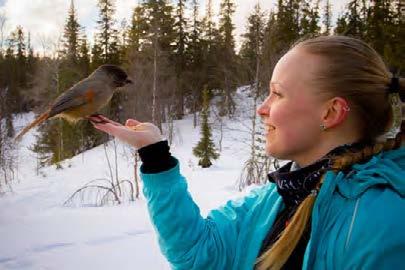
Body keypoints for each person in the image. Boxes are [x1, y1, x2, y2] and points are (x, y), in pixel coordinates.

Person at [90, 35, 405, 270]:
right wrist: (155, 155)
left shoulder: (381, 222)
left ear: (330, 113)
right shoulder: (278, 197)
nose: (261, 109)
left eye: (277, 94)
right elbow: (197, 252)